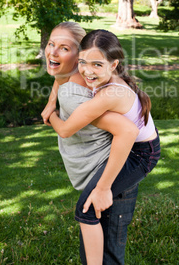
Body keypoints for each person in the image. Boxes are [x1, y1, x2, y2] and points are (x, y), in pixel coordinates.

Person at [43, 25, 160, 265]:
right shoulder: (99, 76)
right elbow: (61, 77)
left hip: (141, 154)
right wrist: (52, 98)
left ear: (113, 65)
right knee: (87, 212)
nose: (87, 71)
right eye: (83, 63)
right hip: (139, 143)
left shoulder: (108, 94)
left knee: (86, 210)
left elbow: (67, 130)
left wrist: (50, 113)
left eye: (97, 64)